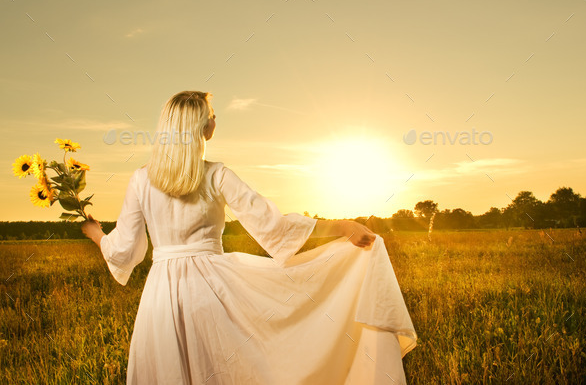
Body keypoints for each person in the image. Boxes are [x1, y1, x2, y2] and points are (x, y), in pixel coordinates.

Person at [81, 91, 417, 384]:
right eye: (212, 117)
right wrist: (342, 226)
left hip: (160, 296)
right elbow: (273, 225)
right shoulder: (216, 174)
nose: (216, 121)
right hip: (210, 290)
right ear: (204, 129)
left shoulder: (141, 180)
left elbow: (124, 248)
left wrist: (96, 234)